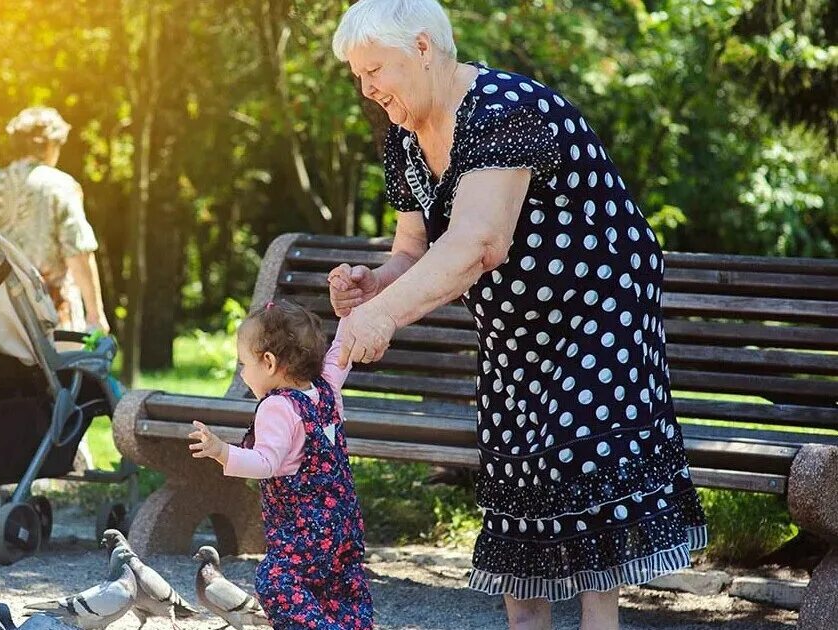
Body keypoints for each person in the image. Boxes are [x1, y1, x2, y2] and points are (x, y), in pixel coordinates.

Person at [328, 1, 707, 629]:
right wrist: (374, 287)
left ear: (422, 47)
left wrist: (385, 318)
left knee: (588, 487)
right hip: (513, 333)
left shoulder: (506, 110)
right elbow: (412, 250)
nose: (367, 88)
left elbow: (480, 242)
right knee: (520, 496)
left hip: (595, 313)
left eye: (376, 69)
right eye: (358, 75)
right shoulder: (403, 137)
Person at [187, 301, 374, 630]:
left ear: (269, 363)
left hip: (304, 530)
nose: (243, 373)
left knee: (276, 582)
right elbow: (342, 348)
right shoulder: (326, 387)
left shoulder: (277, 406)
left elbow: (265, 462)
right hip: (343, 527)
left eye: (244, 363)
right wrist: (350, 311)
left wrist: (221, 451)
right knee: (338, 591)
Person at [0, 106, 109, 334]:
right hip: (48, 318)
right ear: (50, 145)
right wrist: (95, 315)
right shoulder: (60, 186)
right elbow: (78, 252)